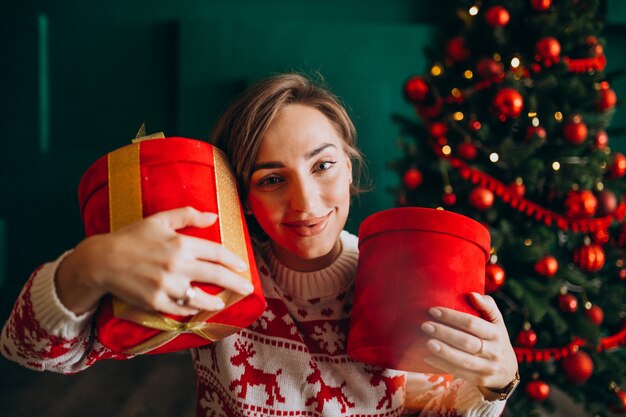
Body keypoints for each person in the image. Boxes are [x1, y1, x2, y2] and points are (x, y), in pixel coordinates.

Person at [1, 73, 518, 416]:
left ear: (351, 162)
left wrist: (497, 384)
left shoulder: (403, 281)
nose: (306, 202)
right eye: (272, 179)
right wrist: (89, 265)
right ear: (241, 197)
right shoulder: (215, 274)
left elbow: (439, 411)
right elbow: (32, 354)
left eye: (323, 165)